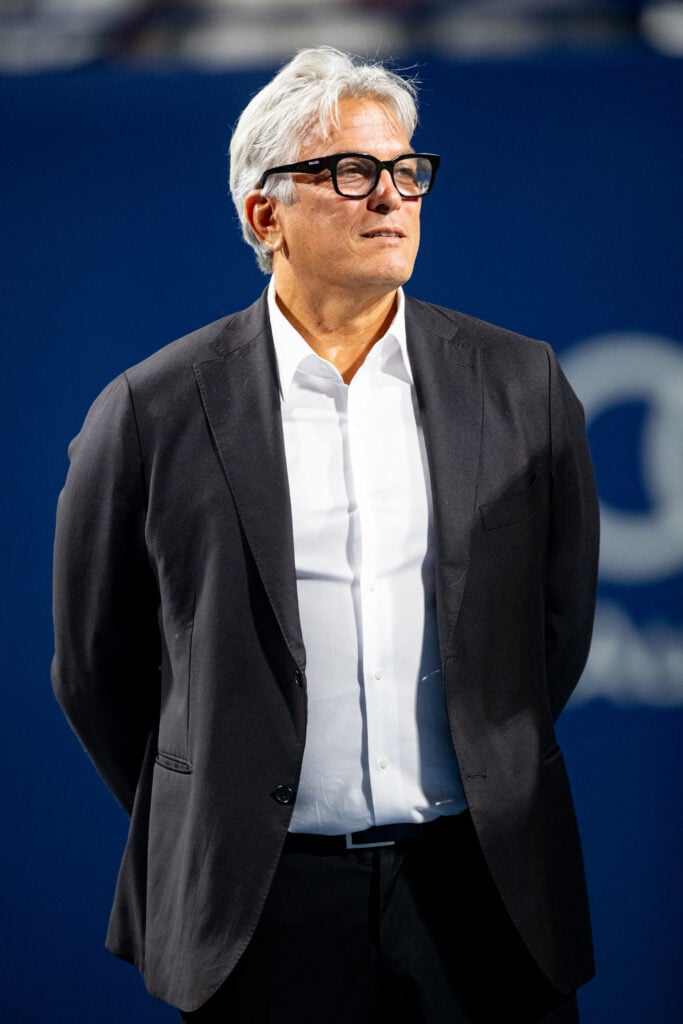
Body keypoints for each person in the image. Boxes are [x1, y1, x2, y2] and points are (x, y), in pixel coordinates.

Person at [52, 46, 599, 1023]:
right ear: (265, 215)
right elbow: (101, 666)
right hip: (259, 905)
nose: (388, 196)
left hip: (481, 889)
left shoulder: (520, 383)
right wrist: (223, 794)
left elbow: (551, 631)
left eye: (404, 172)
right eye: (349, 172)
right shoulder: (151, 408)